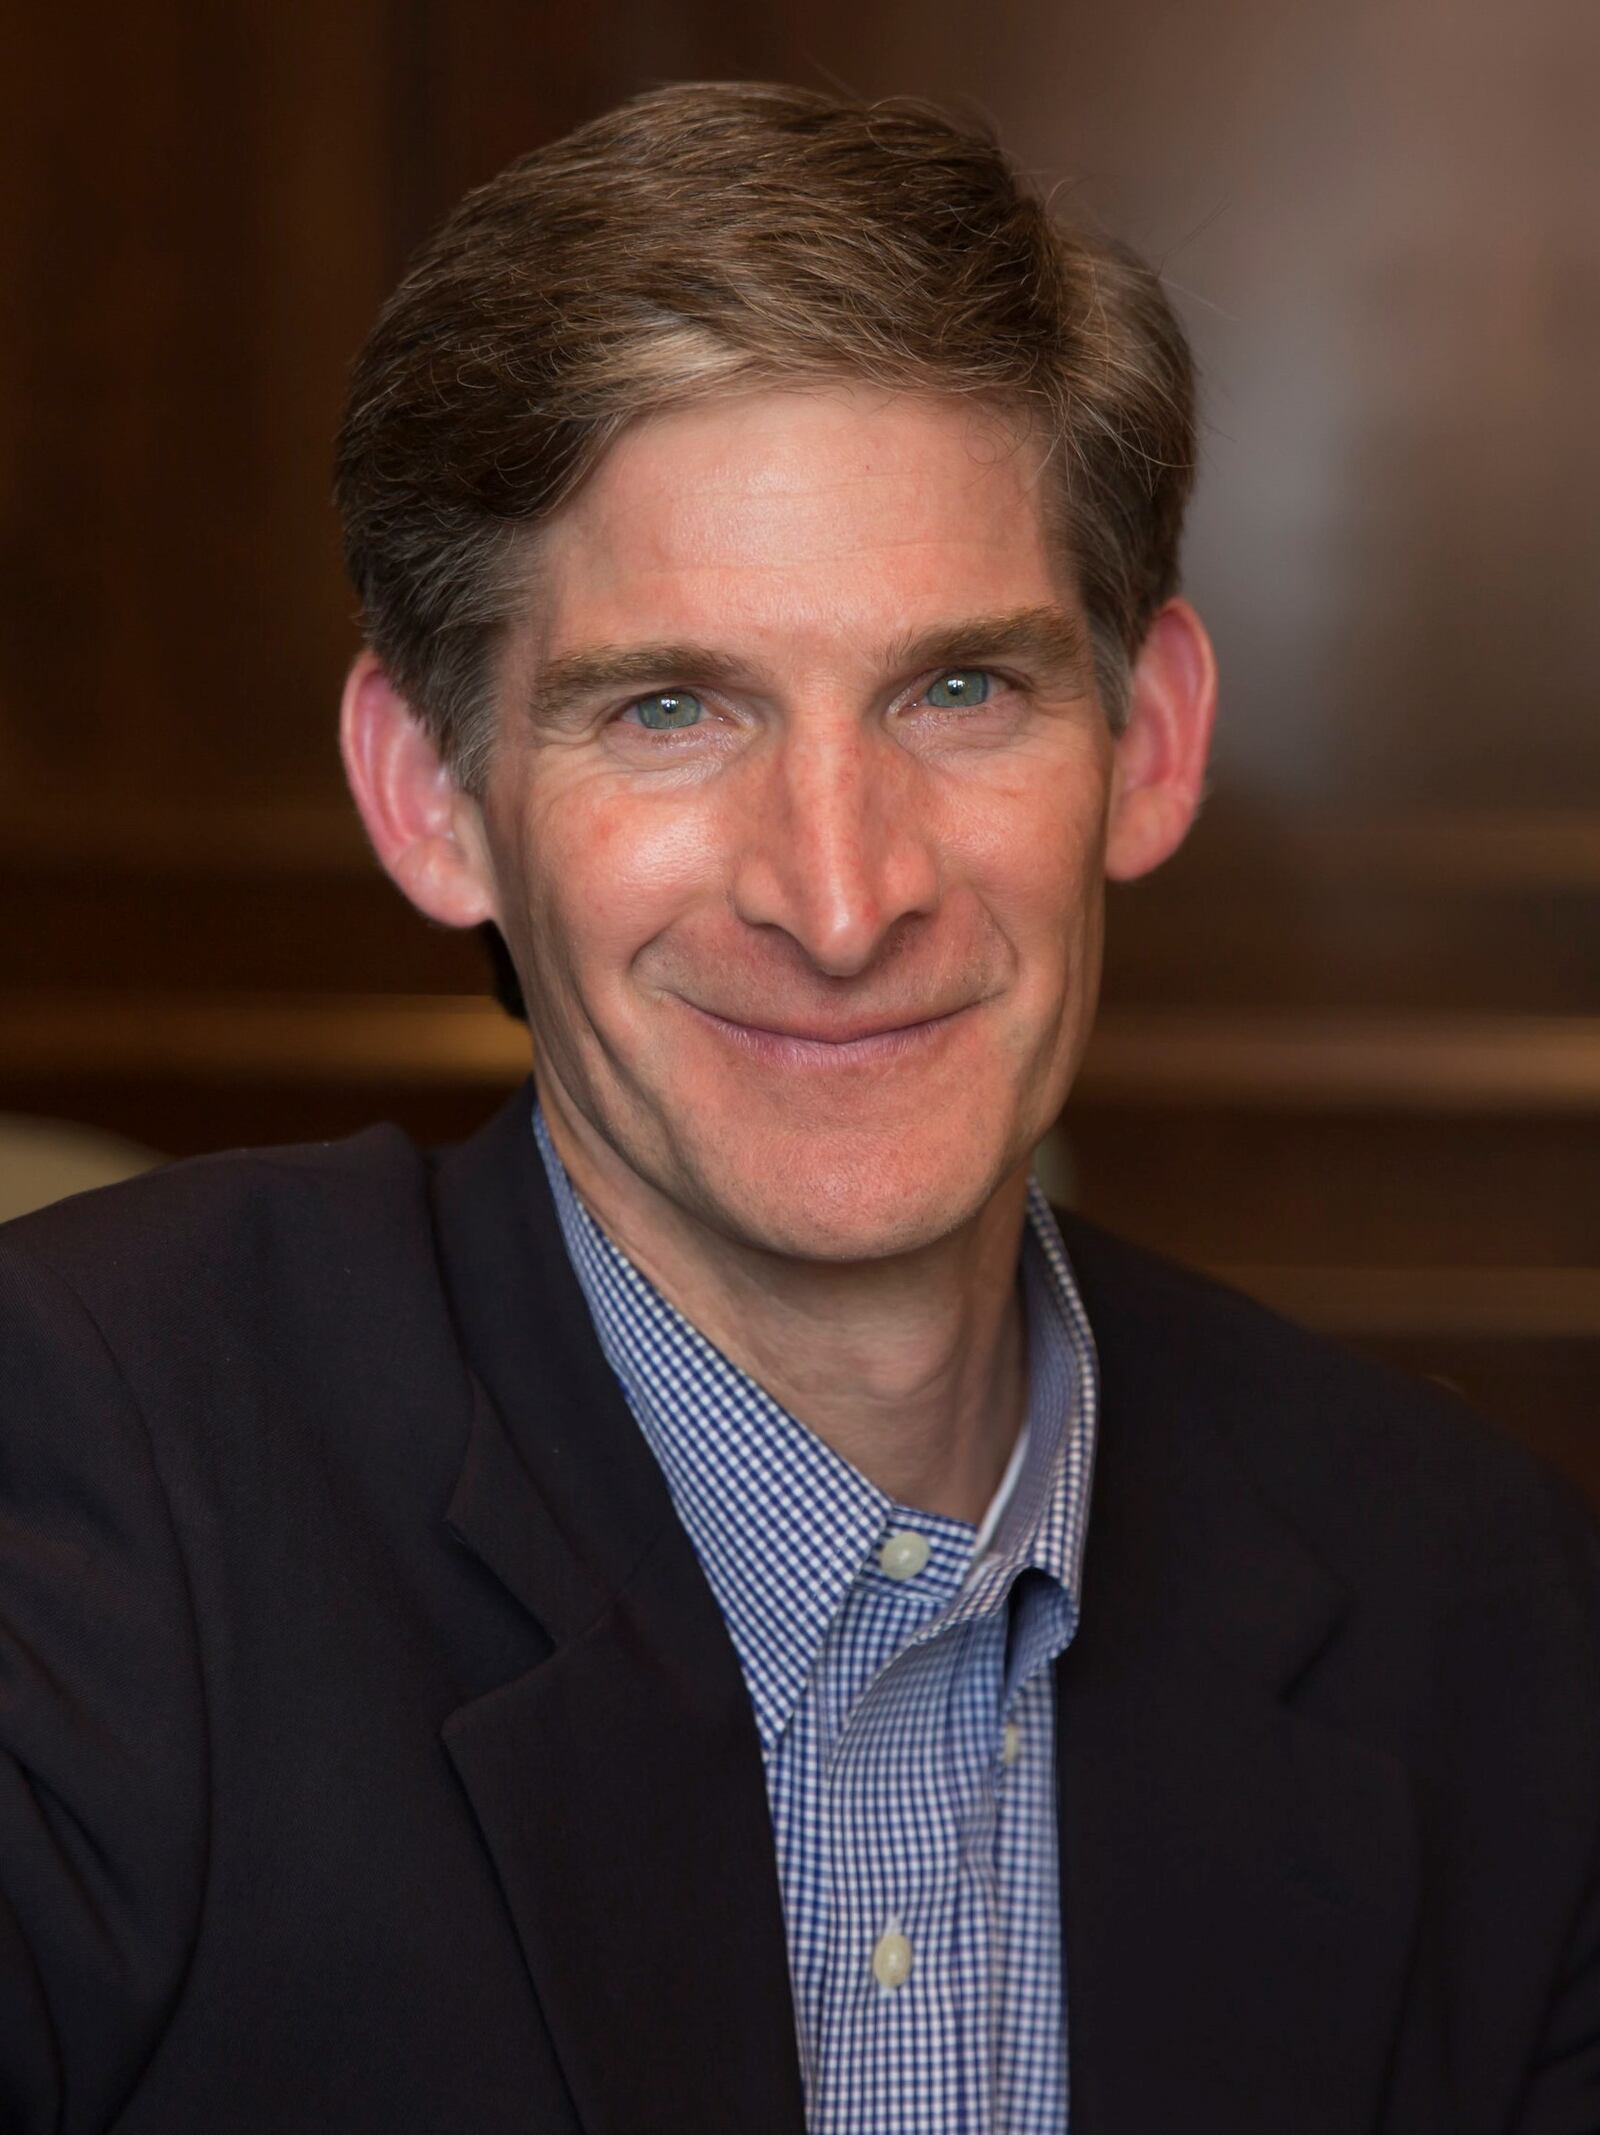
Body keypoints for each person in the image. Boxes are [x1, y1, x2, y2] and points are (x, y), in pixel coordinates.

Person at [2, 81, 1596, 2135]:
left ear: (1150, 741)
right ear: (431, 796)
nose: (841, 900)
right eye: (670, 708)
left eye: (960, 690)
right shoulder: (82, 1488)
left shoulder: (1485, 1615)